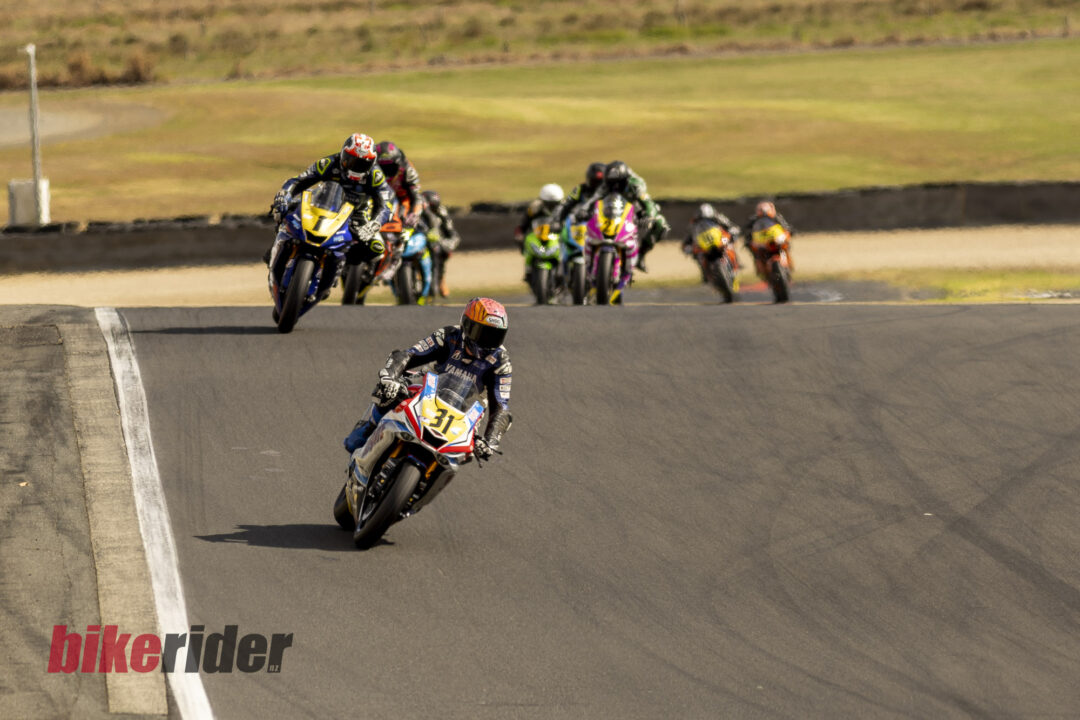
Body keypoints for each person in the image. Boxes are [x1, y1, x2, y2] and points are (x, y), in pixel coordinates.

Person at [344, 297, 512, 461]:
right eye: (483, 333)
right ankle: (369, 427)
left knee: (467, 453)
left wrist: (490, 441)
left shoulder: (501, 361)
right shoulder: (448, 335)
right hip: (427, 387)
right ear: (467, 325)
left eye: (495, 336)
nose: (488, 342)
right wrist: (390, 378)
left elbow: (501, 408)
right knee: (388, 393)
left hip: (465, 411)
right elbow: (409, 355)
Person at [266, 133, 394, 268]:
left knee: (376, 248)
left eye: (363, 164)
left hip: (355, 214)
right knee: (286, 210)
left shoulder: (376, 176)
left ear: (372, 163)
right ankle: (278, 247)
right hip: (322, 205)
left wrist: (374, 224)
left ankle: (342, 265)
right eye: (351, 161)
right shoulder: (329, 163)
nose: (355, 167)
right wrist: (284, 195)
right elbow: (299, 180)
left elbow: (386, 205)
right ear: (343, 154)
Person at [578, 161, 669, 273]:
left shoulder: (635, 185)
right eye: (610, 183)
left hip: (635, 210)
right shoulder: (606, 185)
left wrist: (649, 216)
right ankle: (591, 262)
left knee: (661, 224)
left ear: (625, 180)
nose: (614, 187)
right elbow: (593, 199)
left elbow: (648, 203)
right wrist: (583, 210)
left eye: (617, 184)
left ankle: (641, 255)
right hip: (612, 211)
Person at [515, 184, 564, 283]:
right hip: (539, 236)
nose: (552, 206)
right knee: (527, 240)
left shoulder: (564, 208)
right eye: (549, 204)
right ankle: (528, 270)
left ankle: (565, 270)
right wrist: (520, 234)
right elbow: (525, 223)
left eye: (555, 204)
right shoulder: (534, 208)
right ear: (543, 201)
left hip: (556, 236)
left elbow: (570, 222)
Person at [683, 203, 741, 283]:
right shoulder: (694, 224)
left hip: (721, 239)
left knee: (729, 246)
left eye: (708, 219)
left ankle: (734, 266)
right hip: (704, 245)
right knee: (699, 256)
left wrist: (733, 231)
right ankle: (706, 274)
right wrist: (688, 247)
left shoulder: (719, 218)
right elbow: (687, 239)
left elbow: (731, 226)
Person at [418, 189, 461, 298]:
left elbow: (452, 233)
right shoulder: (416, 211)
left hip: (437, 243)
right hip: (419, 241)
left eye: (434, 207)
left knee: (441, 252)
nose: (431, 211)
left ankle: (441, 279)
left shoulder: (442, 212)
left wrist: (445, 244)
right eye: (429, 207)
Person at [374, 141, 423, 230]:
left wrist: (414, 214)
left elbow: (416, 196)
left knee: (426, 201)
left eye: (391, 167)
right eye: (382, 167)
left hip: (402, 198)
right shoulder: (370, 168)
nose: (387, 170)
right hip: (377, 197)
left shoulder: (407, 169)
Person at [743, 200, 795, 279]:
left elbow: (786, 227)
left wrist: (787, 233)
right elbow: (747, 232)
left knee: (785, 247)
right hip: (761, 242)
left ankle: (789, 265)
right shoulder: (753, 221)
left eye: (765, 210)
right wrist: (749, 241)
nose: (763, 212)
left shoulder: (777, 218)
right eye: (761, 210)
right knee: (756, 253)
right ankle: (761, 270)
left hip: (775, 241)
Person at [553, 162, 606, 229]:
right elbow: (566, 204)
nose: (597, 185)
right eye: (594, 182)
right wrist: (557, 221)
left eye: (600, 182)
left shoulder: (609, 191)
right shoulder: (580, 189)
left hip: (604, 224)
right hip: (582, 226)